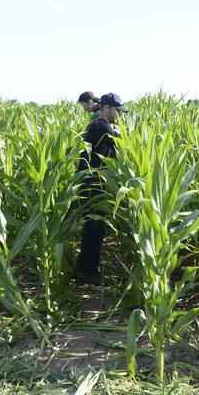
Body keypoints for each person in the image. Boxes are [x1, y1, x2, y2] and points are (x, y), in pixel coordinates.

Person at [75, 92, 128, 284]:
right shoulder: (99, 126)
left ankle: (86, 267)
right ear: (106, 108)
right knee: (94, 229)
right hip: (93, 187)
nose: (120, 115)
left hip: (98, 186)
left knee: (95, 229)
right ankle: (88, 272)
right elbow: (124, 142)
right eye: (117, 110)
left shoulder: (102, 125)